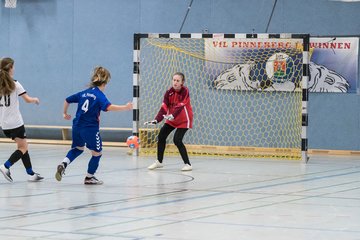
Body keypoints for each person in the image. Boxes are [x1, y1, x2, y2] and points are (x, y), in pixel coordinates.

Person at [55, 66, 132, 185]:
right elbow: (108, 107)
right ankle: (89, 177)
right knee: (97, 153)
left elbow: (67, 100)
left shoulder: (84, 93)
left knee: (78, 148)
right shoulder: (99, 95)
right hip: (90, 129)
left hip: (76, 126)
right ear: (105, 82)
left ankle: (63, 163)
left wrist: (64, 113)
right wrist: (125, 107)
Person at [0, 57, 43, 182]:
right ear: (10, 68)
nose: (14, 69)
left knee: (23, 145)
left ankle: (31, 174)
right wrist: (35, 99)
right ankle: (6, 166)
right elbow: (28, 99)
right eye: (13, 67)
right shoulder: (15, 83)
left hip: (4, 124)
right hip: (15, 122)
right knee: (23, 147)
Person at [145, 72, 193, 171]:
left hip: (184, 120)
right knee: (161, 136)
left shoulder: (185, 91)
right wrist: (156, 120)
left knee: (177, 140)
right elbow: (163, 108)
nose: (175, 82)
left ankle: (188, 164)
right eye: (174, 80)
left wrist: (172, 115)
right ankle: (159, 161)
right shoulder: (168, 92)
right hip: (171, 119)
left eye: (178, 81)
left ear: (182, 82)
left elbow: (180, 106)